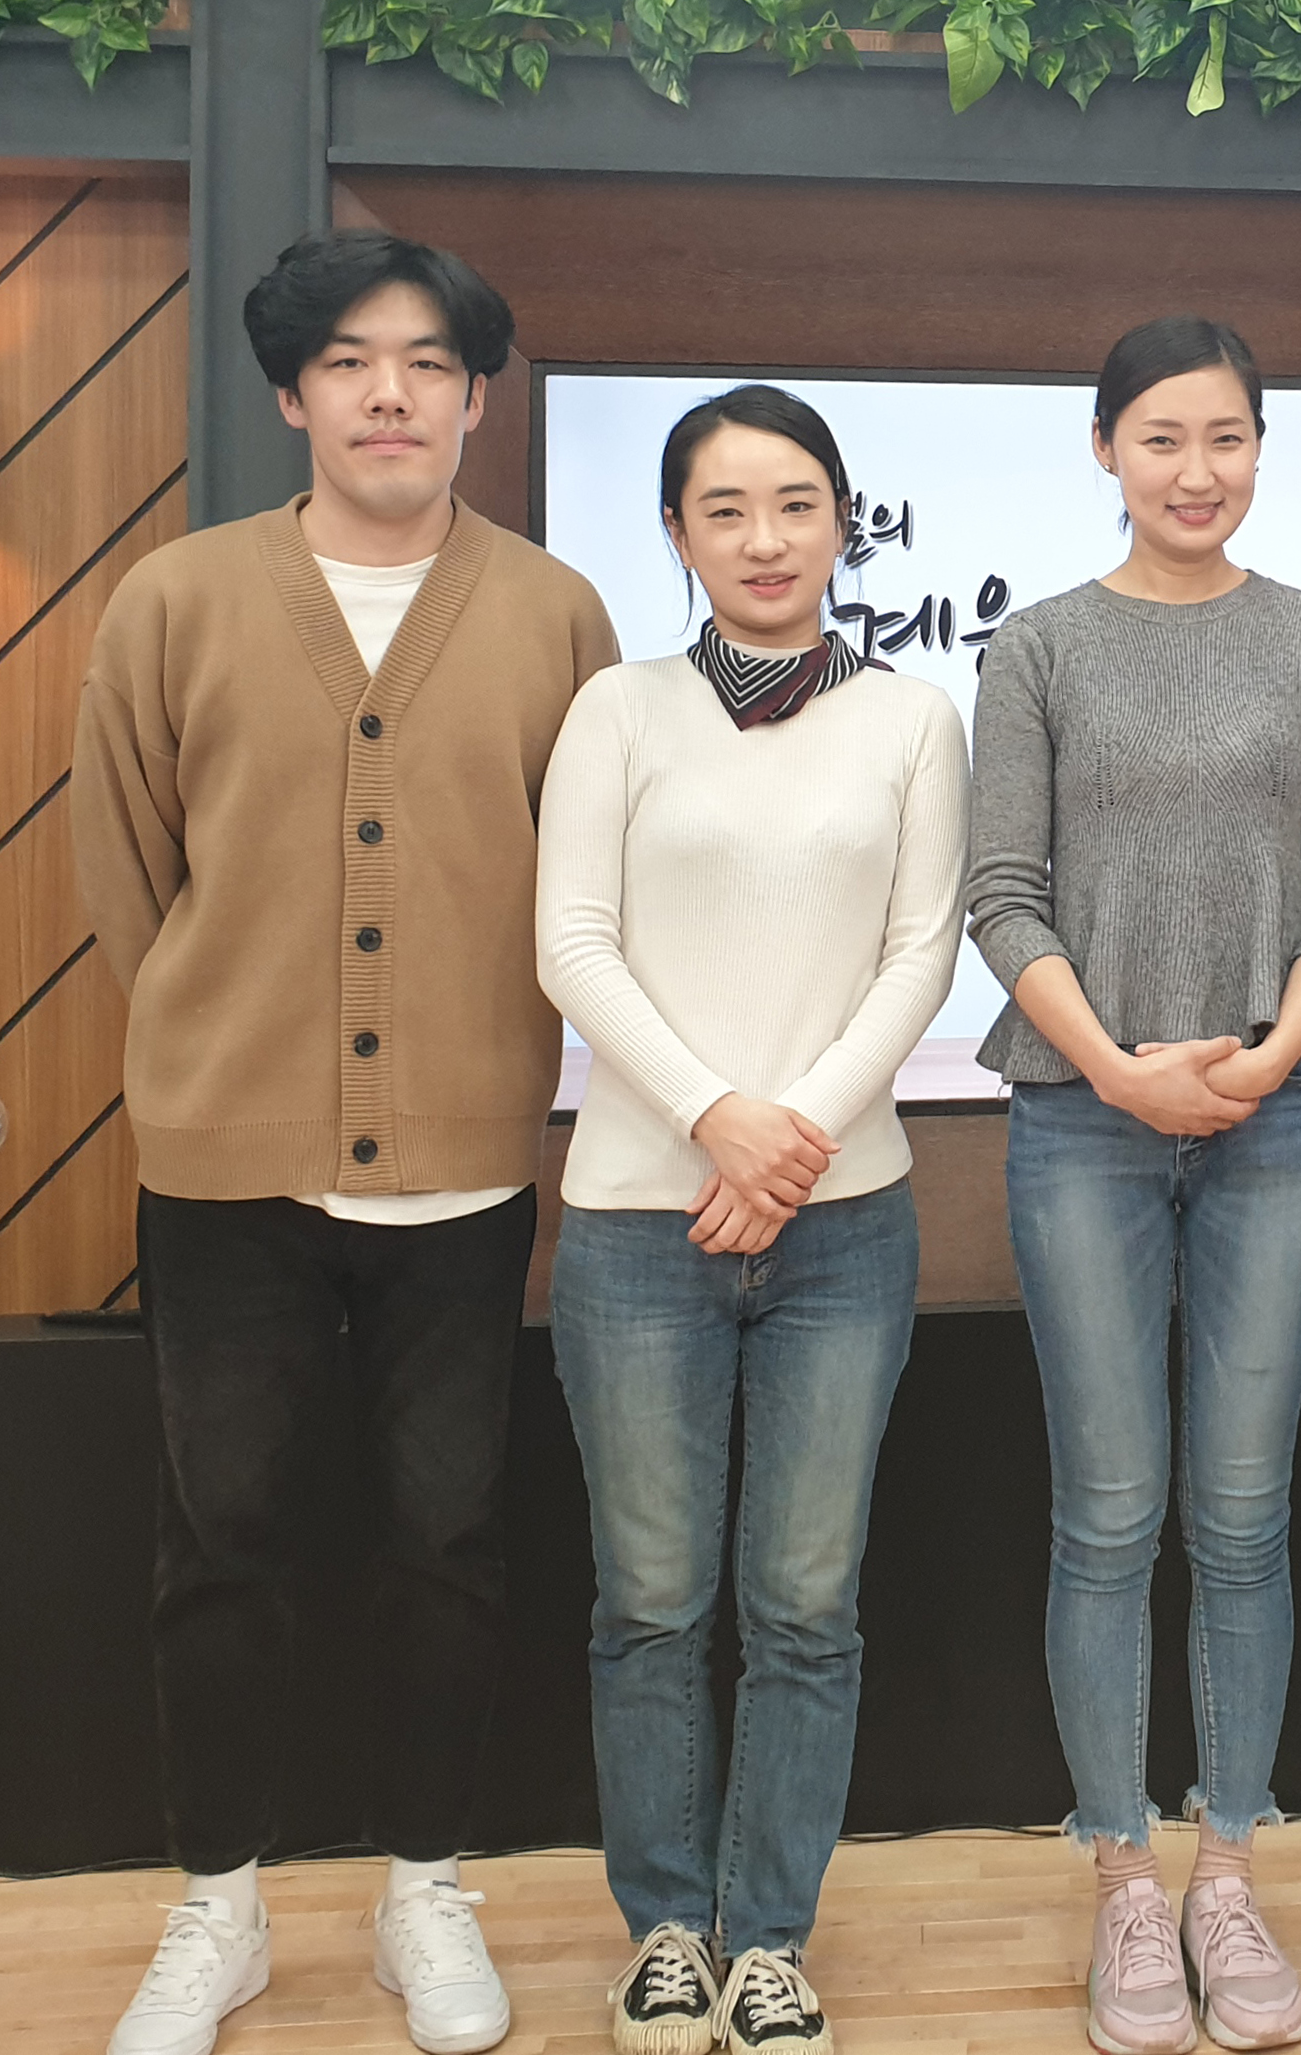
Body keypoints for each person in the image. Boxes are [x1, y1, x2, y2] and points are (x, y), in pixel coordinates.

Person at [75, 231, 619, 2055]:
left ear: (476, 398)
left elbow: (585, 881)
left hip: (464, 1163)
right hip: (223, 1169)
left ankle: (424, 1893)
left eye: (429, 363)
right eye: (350, 362)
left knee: (446, 1537)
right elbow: (128, 869)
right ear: (292, 393)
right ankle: (217, 1908)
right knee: (219, 1535)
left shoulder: (554, 614)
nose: (392, 394)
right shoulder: (173, 602)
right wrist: (219, 1045)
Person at [963, 316, 1301, 2055]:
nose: (1195, 470)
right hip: (1082, 1118)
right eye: (1161, 438)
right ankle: (1124, 1878)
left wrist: (1271, 1055)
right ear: (1104, 451)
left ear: (1261, 448)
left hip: (1277, 1119)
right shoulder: (1041, 646)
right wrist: (1125, 1070)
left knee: (1242, 1513)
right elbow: (1002, 892)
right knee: (1108, 1512)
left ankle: (1227, 1870)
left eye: (1225, 437)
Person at [535, 386, 968, 2055]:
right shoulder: (619, 709)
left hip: (843, 1230)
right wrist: (719, 1117)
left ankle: (769, 1937)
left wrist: (792, 1142)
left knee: (805, 1605)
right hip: (637, 1225)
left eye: (796, 504)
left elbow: (921, 953)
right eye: (725, 509)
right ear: (676, 534)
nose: (766, 539)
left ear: (844, 520)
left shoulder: (913, 719)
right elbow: (572, 943)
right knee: (650, 1602)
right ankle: (666, 1930)